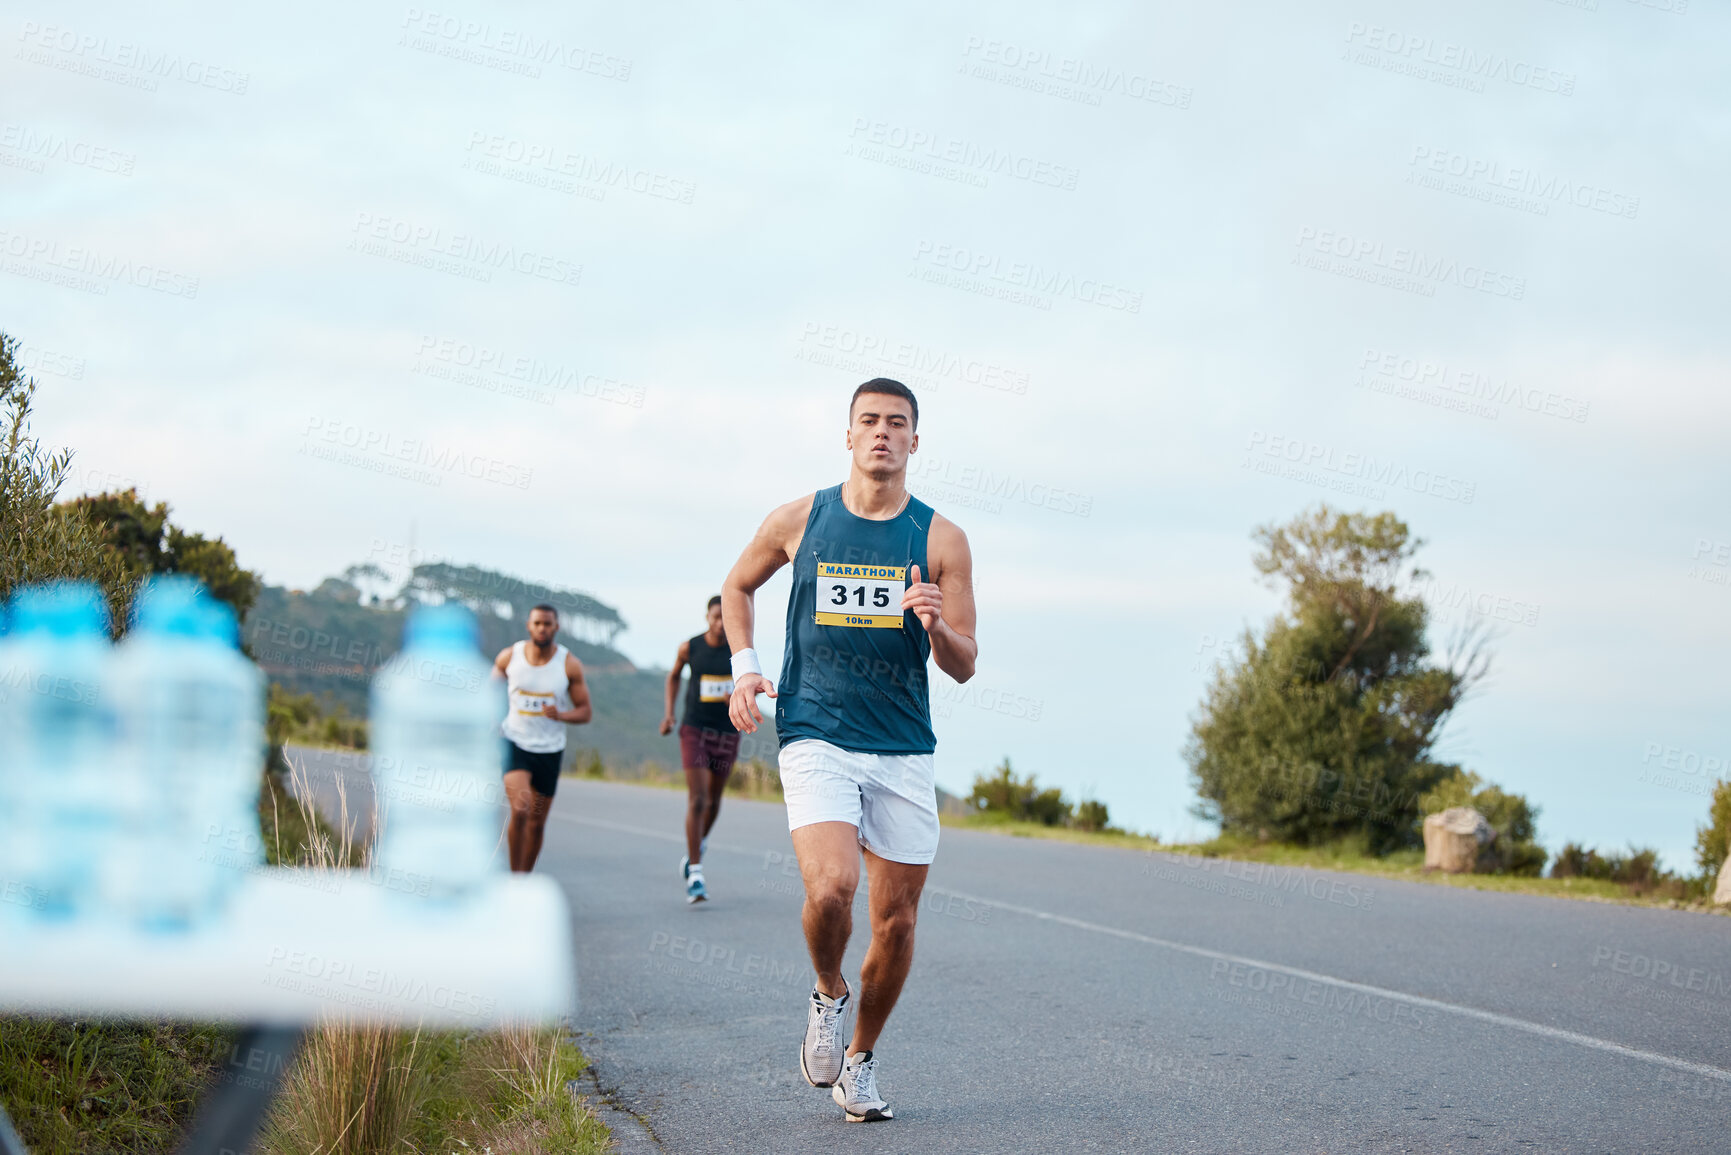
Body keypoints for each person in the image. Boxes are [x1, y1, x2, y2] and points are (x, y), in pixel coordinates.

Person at [721, 378, 976, 1123]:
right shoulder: (801, 518)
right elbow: (737, 587)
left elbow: (963, 662)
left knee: (895, 921)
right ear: (848, 434)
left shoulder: (939, 539)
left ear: (914, 441)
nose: (882, 434)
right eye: (868, 420)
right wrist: (743, 668)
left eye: (897, 423)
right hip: (814, 729)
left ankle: (859, 1060)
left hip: (900, 744)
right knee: (831, 887)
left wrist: (935, 626)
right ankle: (828, 987)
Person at [492, 603, 591, 872]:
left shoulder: (569, 664)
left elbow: (585, 712)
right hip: (514, 742)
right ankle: (514, 879)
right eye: (537, 623)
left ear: (556, 627)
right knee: (521, 809)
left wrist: (561, 715)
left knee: (536, 822)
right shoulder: (509, 657)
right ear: (529, 625)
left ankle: (524, 879)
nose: (542, 628)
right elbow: (490, 692)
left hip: (550, 749)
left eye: (547, 624)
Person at [659, 595, 740, 903]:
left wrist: (735, 695)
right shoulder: (690, 647)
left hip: (726, 733)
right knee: (699, 798)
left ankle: (698, 843)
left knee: (715, 800)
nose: (720, 623)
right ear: (707, 617)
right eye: (715, 617)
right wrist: (669, 713)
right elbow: (673, 676)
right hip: (694, 729)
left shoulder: (739, 650)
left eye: (725, 617)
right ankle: (695, 872)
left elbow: (752, 687)